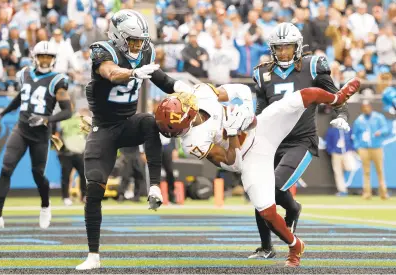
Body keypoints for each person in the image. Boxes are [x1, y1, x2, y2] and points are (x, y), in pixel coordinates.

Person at [155, 78, 361, 267]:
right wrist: (233, 132)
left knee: (303, 96)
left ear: (189, 113)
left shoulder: (203, 93)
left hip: (261, 129)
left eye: (177, 128)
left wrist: (244, 111)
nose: (178, 134)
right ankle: (295, 245)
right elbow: (232, 163)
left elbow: (242, 90)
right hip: (247, 158)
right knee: (267, 212)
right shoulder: (193, 142)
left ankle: (337, 98)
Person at [75, 10, 191, 270]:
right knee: (94, 187)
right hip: (103, 128)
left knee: (149, 120)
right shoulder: (102, 51)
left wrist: (184, 88)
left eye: (141, 41)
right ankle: (93, 255)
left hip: (128, 123)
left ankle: (154, 186)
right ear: (117, 37)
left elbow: (160, 78)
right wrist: (133, 73)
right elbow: (111, 73)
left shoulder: (146, 52)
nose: (138, 46)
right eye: (133, 41)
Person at [250, 22, 350, 259]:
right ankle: (266, 247)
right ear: (273, 49)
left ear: (298, 47)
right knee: (258, 192)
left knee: (271, 187)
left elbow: (335, 96)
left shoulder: (312, 66)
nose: (283, 53)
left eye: (288, 47)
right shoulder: (262, 73)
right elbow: (261, 111)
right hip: (272, 140)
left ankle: (292, 209)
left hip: (300, 141)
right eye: (279, 48)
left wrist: (343, 114)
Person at [0, 41, 72, 233]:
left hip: (40, 135)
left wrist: (47, 119)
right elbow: (20, 98)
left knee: (38, 174)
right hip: (21, 129)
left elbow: (68, 111)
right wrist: (3, 112)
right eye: (42, 56)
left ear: (54, 59)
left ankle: (45, 205)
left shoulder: (58, 80)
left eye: (48, 57)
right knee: (6, 169)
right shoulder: (24, 74)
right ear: (35, 57)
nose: (45, 60)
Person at [352, 101, 389, 200]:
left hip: (377, 147)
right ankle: (367, 193)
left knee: (380, 170)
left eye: (367, 107)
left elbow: (386, 128)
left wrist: (380, 132)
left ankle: (383, 193)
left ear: (371, 107)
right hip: (364, 148)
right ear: (362, 109)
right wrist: (358, 146)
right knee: (366, 172)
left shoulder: (378, 117)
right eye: (364, 107)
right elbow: (354, 135)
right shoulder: (359, 120)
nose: (366, 109)